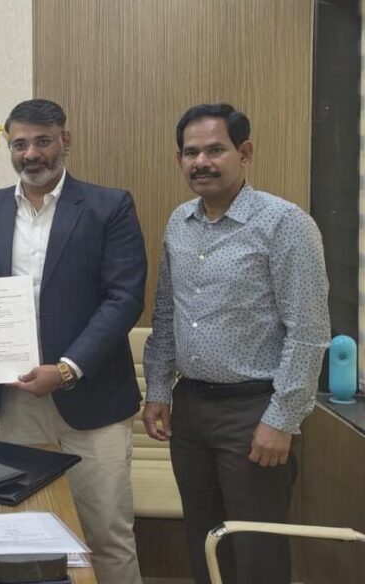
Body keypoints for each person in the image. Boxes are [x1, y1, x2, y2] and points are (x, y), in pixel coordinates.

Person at [143, 103, 329, 584]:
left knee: (256, 549)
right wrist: (158, 389)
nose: (201, 162)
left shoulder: (285, 223)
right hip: (190, 409)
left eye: (214, 150)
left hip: (254, 412)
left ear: (243, 153)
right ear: (179, 159)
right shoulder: (178, 222)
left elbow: (309, 331)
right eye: (190, 153)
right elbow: (166, 315)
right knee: (204, 541)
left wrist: (281, 419)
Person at [0, 98, 146, 583]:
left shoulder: (109, 206)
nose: (31, 154)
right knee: (28, 534)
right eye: (19, 144)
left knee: (106, 535)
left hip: (93, 403)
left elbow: (124, 299)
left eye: (42, 141)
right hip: (18, 400)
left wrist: (67, 369)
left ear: (65, 140)